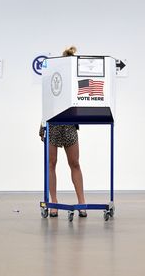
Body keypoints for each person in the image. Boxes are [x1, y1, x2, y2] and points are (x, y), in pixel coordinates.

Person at [39, 46, 87, 218]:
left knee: (74, 163)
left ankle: (82, 202)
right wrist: (42, 124)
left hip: (69, 125)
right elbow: (46, 101)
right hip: (53, 123)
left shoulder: (77, 80)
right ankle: (54, 202)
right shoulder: (53, 77)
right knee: (51, 163)